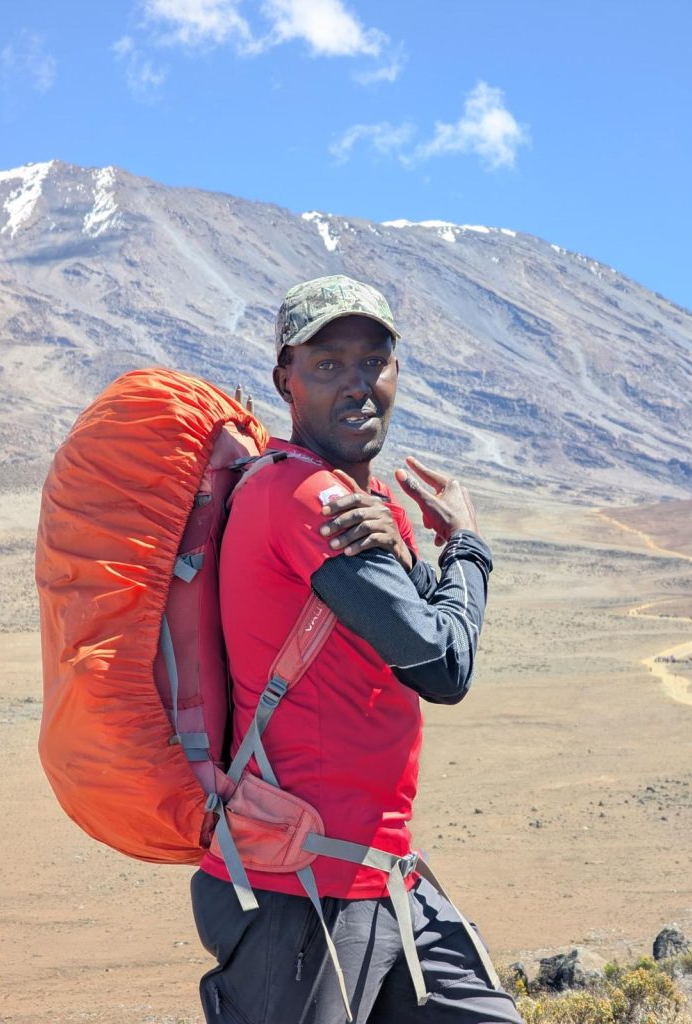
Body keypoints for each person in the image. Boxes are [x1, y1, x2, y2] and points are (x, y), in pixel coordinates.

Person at [190, 275, 522, 1024]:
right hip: (301, 893)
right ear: (286, 380)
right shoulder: (312, 501)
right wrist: (467, 546)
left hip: (379, 875)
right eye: (328, 365)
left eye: (373, 362)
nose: (357, 385)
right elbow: (443, 666)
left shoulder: (352, 504)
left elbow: (416, 627)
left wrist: (416, 561)